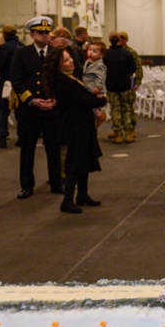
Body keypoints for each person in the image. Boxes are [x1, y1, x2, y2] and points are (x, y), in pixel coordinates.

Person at [45, 46, 108, 213]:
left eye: (70, 58)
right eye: (65, 60)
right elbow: (84, 100)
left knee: (84, 161)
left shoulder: (71, 78)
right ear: (58, 65)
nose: (71, 61)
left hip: (82, 125)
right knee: (74, 164)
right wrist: (100, 100)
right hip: (74, 127)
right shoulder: (63, 82)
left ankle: (82, 195)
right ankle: (67, 201)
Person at [9, 16, 62, 199]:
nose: (44, 36)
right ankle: (26, 185)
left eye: (47, 32)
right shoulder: (22, 53)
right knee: (27, 149)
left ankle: (56, 182)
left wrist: (56, 99)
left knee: (54, 148)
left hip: (51, 108)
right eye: (40, 32)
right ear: (32, 34)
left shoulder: (56, 53)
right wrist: (31, 100)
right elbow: (17, 80)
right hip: (29, 110)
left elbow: (61, 79)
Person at [0, 24, 24, 149]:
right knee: (20, 112)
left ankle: (3, 138)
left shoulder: (3, 48)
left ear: (4, 34)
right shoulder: (23, 47)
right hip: (21, 84)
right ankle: (21, 138)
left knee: (3, 111)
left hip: (6, 83)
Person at [104, 32, 137, 144]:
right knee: (126, 109)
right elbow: (133, 69)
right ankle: (128, 133)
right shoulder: (127, 53)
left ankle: (117, 134)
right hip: (125, 86)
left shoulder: (106, 54)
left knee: (115, 109)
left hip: (111, 86)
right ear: (119, 40)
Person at [117, 31, 143, 140]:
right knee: (117, 108)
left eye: (123, 38)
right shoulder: (115, 52)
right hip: (117, 83)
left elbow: (138, 68)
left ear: (126, 40)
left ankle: (130, 129)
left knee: (129, 107)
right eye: (119, 38)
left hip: (129, 84)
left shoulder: (131, 52)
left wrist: (137, 82)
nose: (121, 41)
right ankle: (118, 130)